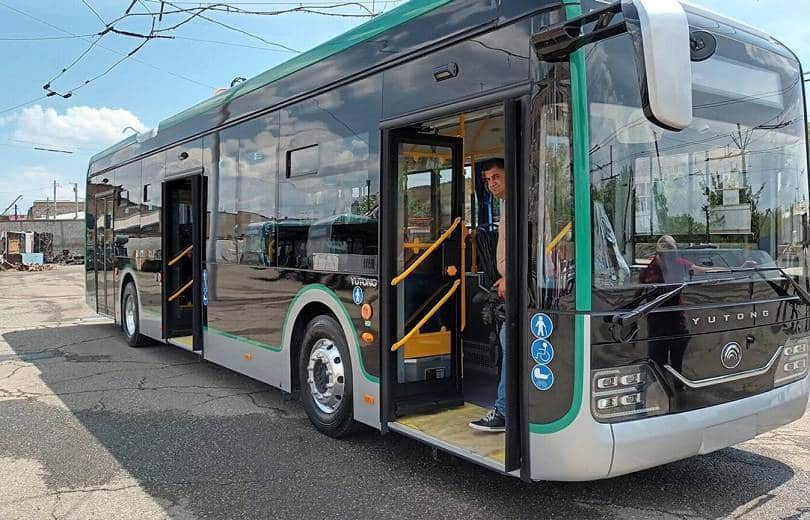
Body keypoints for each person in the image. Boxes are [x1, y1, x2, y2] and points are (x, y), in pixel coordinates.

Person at [470, 158, 508, 432]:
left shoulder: (519, 203)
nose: (492, 183)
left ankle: (505, 410)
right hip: (508, 284)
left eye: (496, 177)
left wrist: (512, 277)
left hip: (519, 286)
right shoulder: (505, 204)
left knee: (508, 339)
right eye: (487, 179)